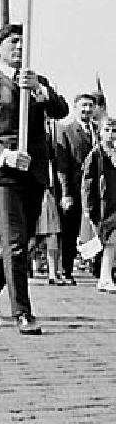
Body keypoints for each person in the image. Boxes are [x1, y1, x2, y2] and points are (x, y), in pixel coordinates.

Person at [0, 22, 68, 335]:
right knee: (13, 240)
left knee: (21, 242)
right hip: (2, 173)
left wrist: (40, 89)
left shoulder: (36, 82)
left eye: (24, 43)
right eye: (13, 42)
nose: (19, 48)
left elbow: (61, 111)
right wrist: (5, 154)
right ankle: (22, 312)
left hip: (34, 171)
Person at [54, 93, 99, 285]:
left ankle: (99, 268)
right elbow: (62, 165)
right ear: (75, 107)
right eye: (83, 106)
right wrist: (66, 194)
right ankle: (66, 269)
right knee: (70, 231)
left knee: (100, 229)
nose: (87, 110)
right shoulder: (66, 131)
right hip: (75, 188)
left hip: (98, 190)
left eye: (90, 106)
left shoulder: (99, 131)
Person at [82, 115, 116, 292]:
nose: (111, 134)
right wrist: (88, 208)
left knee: (112, 242)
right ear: (100, 133)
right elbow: (88, 182)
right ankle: (104, 277)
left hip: (114, 202)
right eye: (107, 130)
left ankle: (107, 275)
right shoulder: (96, 154)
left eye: (114, 131)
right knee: (110, 241)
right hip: (104, 205)